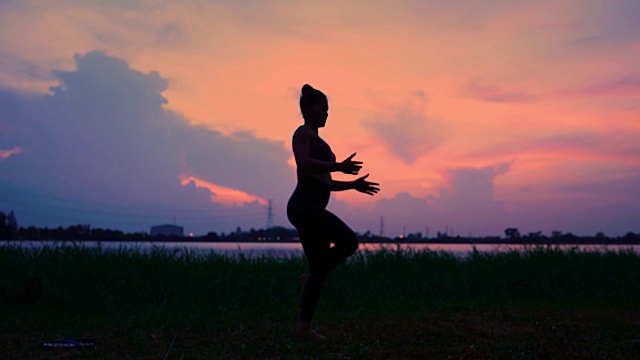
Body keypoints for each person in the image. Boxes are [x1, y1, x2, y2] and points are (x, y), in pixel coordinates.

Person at [287, 84, 380, 339]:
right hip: (303, 206)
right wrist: (338, 166)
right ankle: (312, 277)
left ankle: (303, 327)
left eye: (328, 110)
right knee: (349, 241)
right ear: (307, 109)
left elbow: (326, 182)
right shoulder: (302, 133)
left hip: (313, 206)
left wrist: (353, 184)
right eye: (322, 108)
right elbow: (303, 163)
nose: (326, 114)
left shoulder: (322, 142)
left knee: (318, 268)